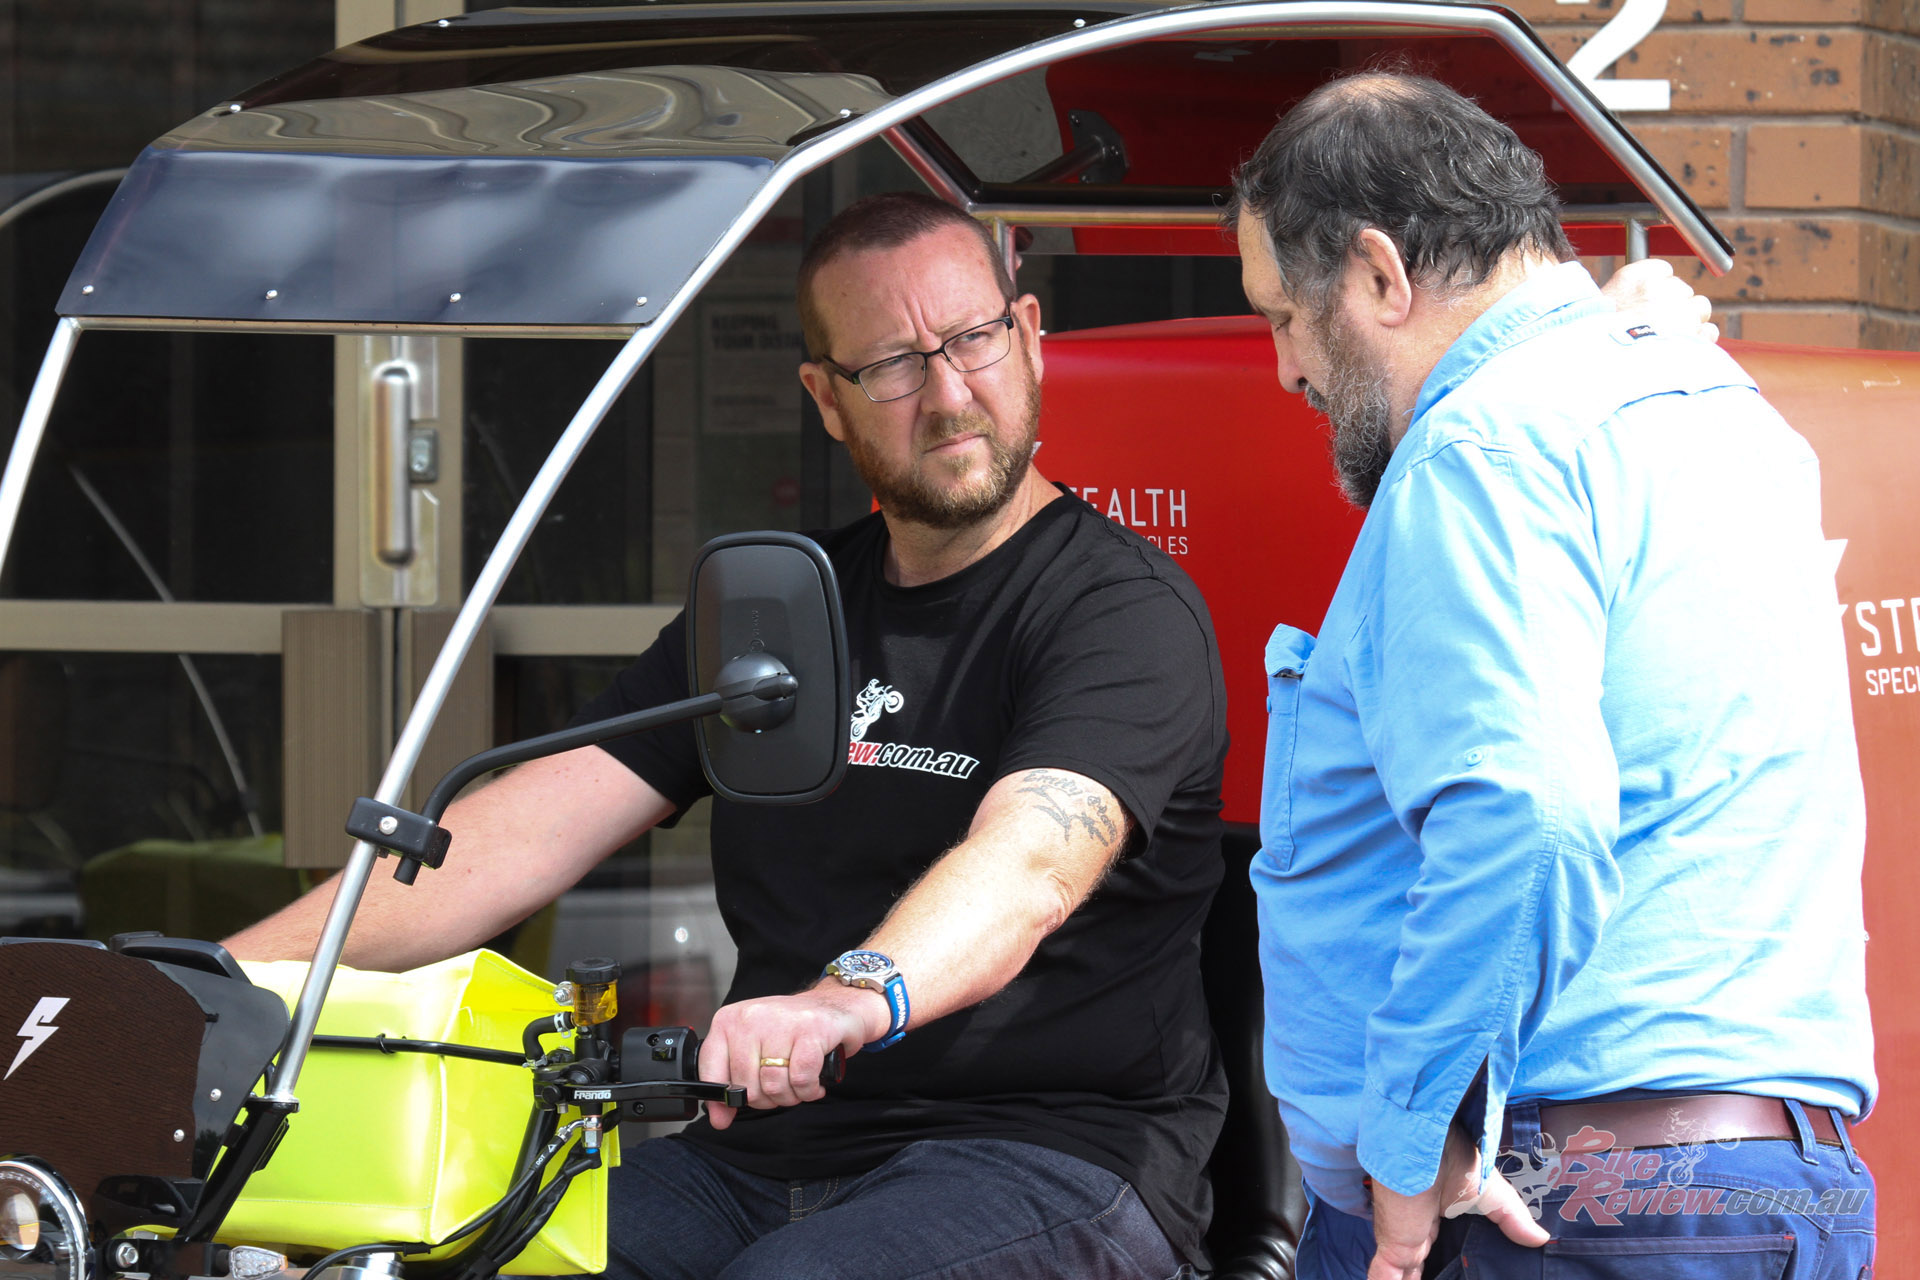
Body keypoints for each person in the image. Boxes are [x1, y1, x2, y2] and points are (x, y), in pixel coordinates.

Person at [228, 190, 1230, 1280]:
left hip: (1052, 1158)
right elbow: (527, 826)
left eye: (973, 340)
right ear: (826, 400)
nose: (949, 394)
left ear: (1029, 336)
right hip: (755, 1158)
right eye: (891, 365)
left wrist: (850, 998)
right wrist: (224, 978)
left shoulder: (1121, 611)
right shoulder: (778, 613)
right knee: (465, 1260)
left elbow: (1030, 860)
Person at [1230, 72, 1876, 1280]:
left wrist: (1409, 1145)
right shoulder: (1722, 414)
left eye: (1284, 315)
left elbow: (1526, 811)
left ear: (1380, 273)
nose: (1285, 368)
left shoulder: (1480, 445)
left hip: (1550, 1194)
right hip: (1775, 1176)